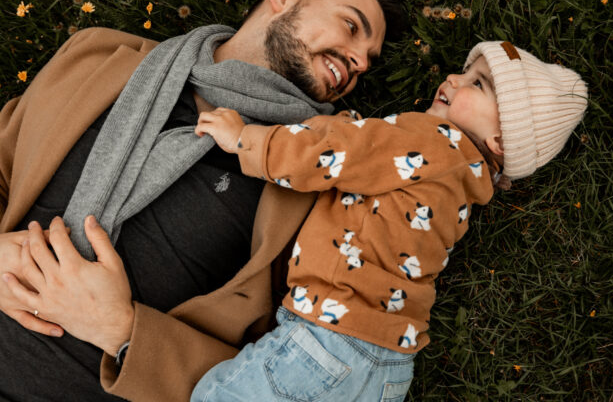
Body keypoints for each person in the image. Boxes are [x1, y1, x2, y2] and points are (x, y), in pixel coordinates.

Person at [0, 0, 406, 401]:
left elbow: (283, 365)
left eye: (366, 63)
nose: (358, 62)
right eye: (351, 26)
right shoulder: (97, 56)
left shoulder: (314, 181)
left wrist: (122, 331)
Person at [188, 41, 589, 401]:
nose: (454, 78)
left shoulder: (434, 137)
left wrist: (246, 139)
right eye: (467, 71)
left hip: (330, 332)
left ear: (502, 140)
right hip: (391, 367)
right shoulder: (468, 187)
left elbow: (337, 154)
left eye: (478, 84)